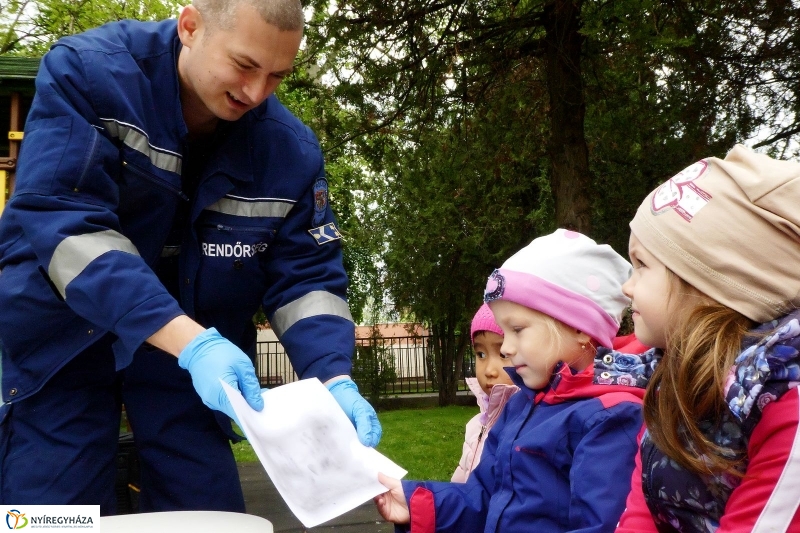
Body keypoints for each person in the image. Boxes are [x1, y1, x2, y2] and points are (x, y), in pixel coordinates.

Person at [0, 0, 381, 514]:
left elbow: (307, 281)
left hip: (194, 359)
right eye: (244, 66)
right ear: (190, 26)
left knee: (208, 509)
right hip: (61, 338)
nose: (256, 93)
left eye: (276, 77)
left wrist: (334, 375)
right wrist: (194, 343)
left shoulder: (289, 152)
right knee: (51, 513)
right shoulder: (88, 75)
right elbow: (67, 228)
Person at [375, 229, 646, 532]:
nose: (506, 347)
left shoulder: (610, 417)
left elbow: (601, 525)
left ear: (580, 328)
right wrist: (414, 503)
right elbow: (484, 498)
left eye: (517, 329)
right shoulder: (522, 405)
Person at [595, 145, 800, 532]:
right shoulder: (668, 379)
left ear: (710, 282)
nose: (627, 287)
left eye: (642, 265)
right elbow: (640, 514)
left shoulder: (787, 400)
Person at [451, 303, 518, 483]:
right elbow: (461, 483)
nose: (489, 370)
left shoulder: (529, 429)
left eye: (503, 354)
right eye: (481, 354)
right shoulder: (475, 425)